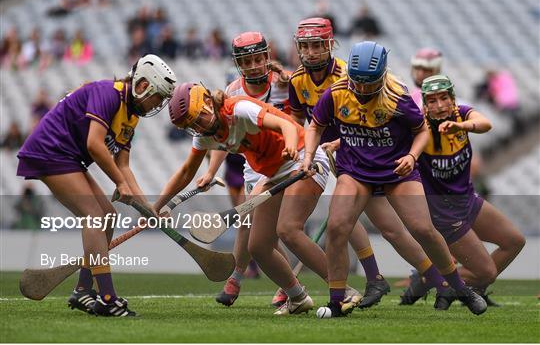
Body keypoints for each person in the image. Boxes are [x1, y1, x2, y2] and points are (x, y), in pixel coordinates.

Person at [302, 41, 488, 317]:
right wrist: (308, 156)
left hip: (396, 171)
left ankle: (459, 287)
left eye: (370, 83)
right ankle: (336, 301)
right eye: (359, 83)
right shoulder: (337, 93)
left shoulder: (397, 96)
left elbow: (422, 131)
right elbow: (316, 125)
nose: (363, 89)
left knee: (422, 229)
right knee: (338, 228)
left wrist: (412, 157)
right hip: (355, 171)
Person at [290, 18, 445, 309]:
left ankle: (433, 279)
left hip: (362, 157)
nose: (310, 52)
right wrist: (305, 155)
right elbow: (300, 121)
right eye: (305, 46)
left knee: (389, 228)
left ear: (329, 45)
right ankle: (388, 278)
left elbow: (371, 116)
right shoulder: (297, 79)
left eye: (316, 45)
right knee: (343, 223)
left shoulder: (350, 72)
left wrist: (340, 143)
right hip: (335, 157)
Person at [16, 54, 177, 317]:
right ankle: (107, 297)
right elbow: (94, 143)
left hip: (70, 158)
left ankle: (82, 289)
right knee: (93, 216)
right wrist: (119, 182)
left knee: (108, 216)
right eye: (157, 97)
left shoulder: (130, 116)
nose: (156, 105)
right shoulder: (108, 93)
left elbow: (123, 167)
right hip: (49, 151)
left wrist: (148, 209)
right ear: (142, 85)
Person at [157, 82, 332, 316]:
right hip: (273, 173)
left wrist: (290, 147)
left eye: (198, 119)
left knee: (288, 229)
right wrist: (155, 207)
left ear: (209, 102)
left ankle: (341, 290)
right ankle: (298, 297)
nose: (197, 127)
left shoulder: (238, 109)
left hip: (302, 158)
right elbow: (186, 171)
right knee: (258, 246)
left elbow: (286, 125)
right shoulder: (206, 134)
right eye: (191, 125)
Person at [400, 75, 525, 308]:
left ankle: (460, 289)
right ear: (425, 105)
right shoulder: (420, 128)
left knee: (514, 241)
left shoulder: (462, 114)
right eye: (432, 101)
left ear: (452, 99)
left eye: (444, 98)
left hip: (467, 200)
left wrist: (461, 126)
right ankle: (433, 280)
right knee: (487, 272)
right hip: (444, 213)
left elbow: (485, 124)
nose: (439, 105)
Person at [196, 32, 296, 308]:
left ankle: (236, 278)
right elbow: (221, 139)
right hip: (255, 167)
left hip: (289, 161)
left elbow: (302, 119)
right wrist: (209, 171)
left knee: (263, 229)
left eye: (257, 59)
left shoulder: (285, 84)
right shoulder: (232, 92)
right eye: (246, 61)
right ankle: (283, 285)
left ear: (266, 57)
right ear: (239, 63)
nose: (252, 65)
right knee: (255, 228)